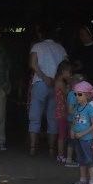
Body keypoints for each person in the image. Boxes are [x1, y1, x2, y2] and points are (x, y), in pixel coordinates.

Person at [28, 22, 67, 156]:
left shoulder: (37, 46)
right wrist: (56, 79)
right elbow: (66, 67)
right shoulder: (60, 48)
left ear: (41, 33)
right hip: (57, 85)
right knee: (53, 117)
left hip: (40, 82)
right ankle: (51, 149)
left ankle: (33, 147)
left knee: (35, 116)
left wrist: (44, 77)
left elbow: (33, 64)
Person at [68, 81, 93, 184]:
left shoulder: (90, 108)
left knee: (89, 160)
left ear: (87, 95)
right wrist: (72, 130)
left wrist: (82, 133)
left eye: (79, 94)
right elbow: (74, 121)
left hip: (86, 139)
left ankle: (92, 182)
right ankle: (83, 179)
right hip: (78, 138)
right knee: (81, 160)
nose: (77, 96)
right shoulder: (77, 107)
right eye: (75, 94)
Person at [53, 61, 73, 164]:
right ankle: (60, 155)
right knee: (62, 135)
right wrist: (70, 83)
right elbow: (67, 94)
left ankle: (61, 154)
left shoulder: (58, 81)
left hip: (61, 110)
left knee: (63, 134)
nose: (70, 74)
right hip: (62, 111)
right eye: (69, 72)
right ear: (63, 71)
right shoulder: (60, 83)